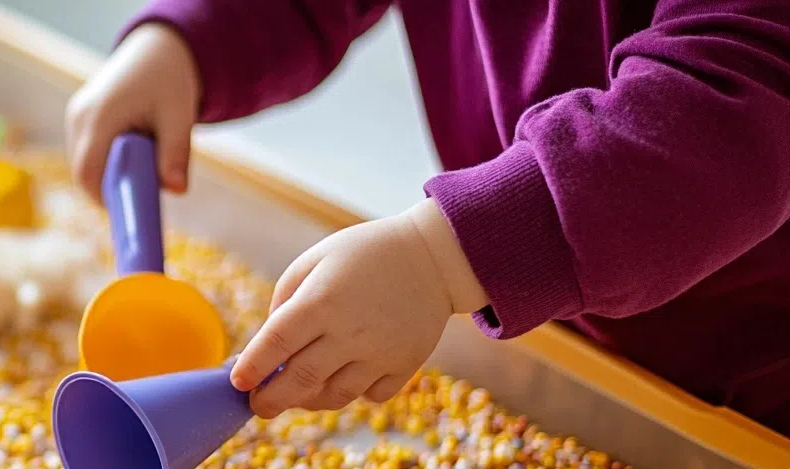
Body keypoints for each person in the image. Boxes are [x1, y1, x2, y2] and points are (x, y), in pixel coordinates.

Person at [65, 1, 790, 434]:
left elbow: (729, 107)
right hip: (534, 310)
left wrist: (442, 259)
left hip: (743, 367)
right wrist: (186, 42)